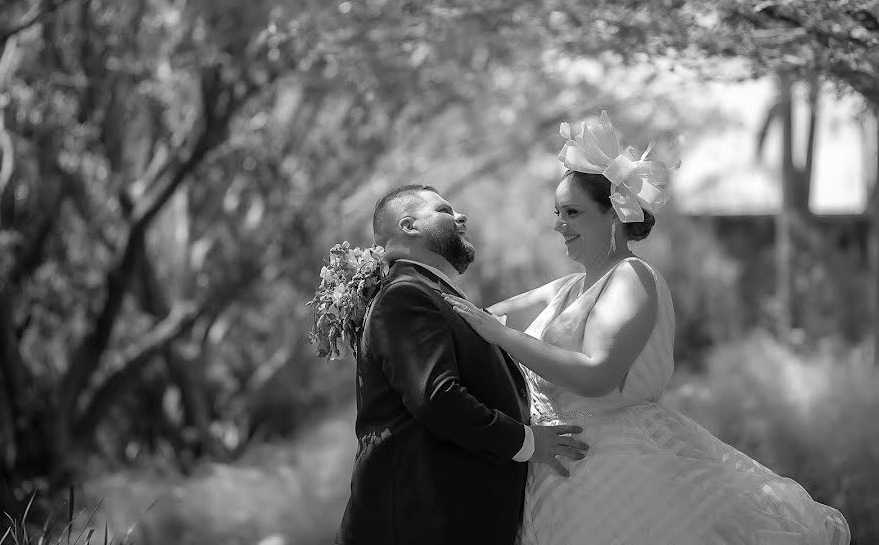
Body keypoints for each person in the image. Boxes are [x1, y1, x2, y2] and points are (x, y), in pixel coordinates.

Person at [444, 112, 851, 545]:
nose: (558, 224)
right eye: (557, 212)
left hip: (612, 470)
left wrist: (504, 336)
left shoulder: (632, 277)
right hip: (553, 469)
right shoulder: (565, 289)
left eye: (572, 212)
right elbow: (473, 317)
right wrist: (389, 284)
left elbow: (598, 373)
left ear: (613, 217)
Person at [336, 185, 589, 545]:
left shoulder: (432, 294)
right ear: (408, 226)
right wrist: (527, 441)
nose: (460, 217)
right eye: (444, 211)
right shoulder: (405, 295)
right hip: (415, 528)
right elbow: (438, 398)